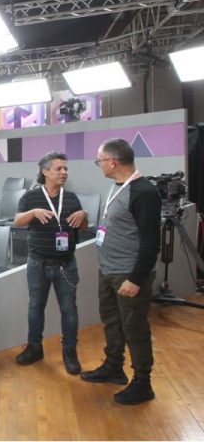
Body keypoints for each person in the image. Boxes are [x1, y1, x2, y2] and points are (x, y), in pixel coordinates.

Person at [81, 138, 161, 405]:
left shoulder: (144, 192)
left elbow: (151, 242)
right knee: (112, 322)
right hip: (109, 270)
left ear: (112, 162)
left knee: (135, 327)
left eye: (100, 160)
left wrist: (136, 279)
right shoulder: (116, 186)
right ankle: (114, 366)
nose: (99, 165)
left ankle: (142, 383)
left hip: (129, 274)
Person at [13, 151, 87, 374]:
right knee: (36, 306)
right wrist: (34, 213)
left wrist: (84, 215)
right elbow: (17, 222)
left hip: (66, 264)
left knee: (69, 309)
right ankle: (35, 347)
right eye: (59, 169)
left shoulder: (72, 198)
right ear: (45, 172)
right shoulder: (30, 197)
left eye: (66, 169)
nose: (64, 172)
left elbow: (82, 227)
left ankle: (70, 351)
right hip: (37, 263)